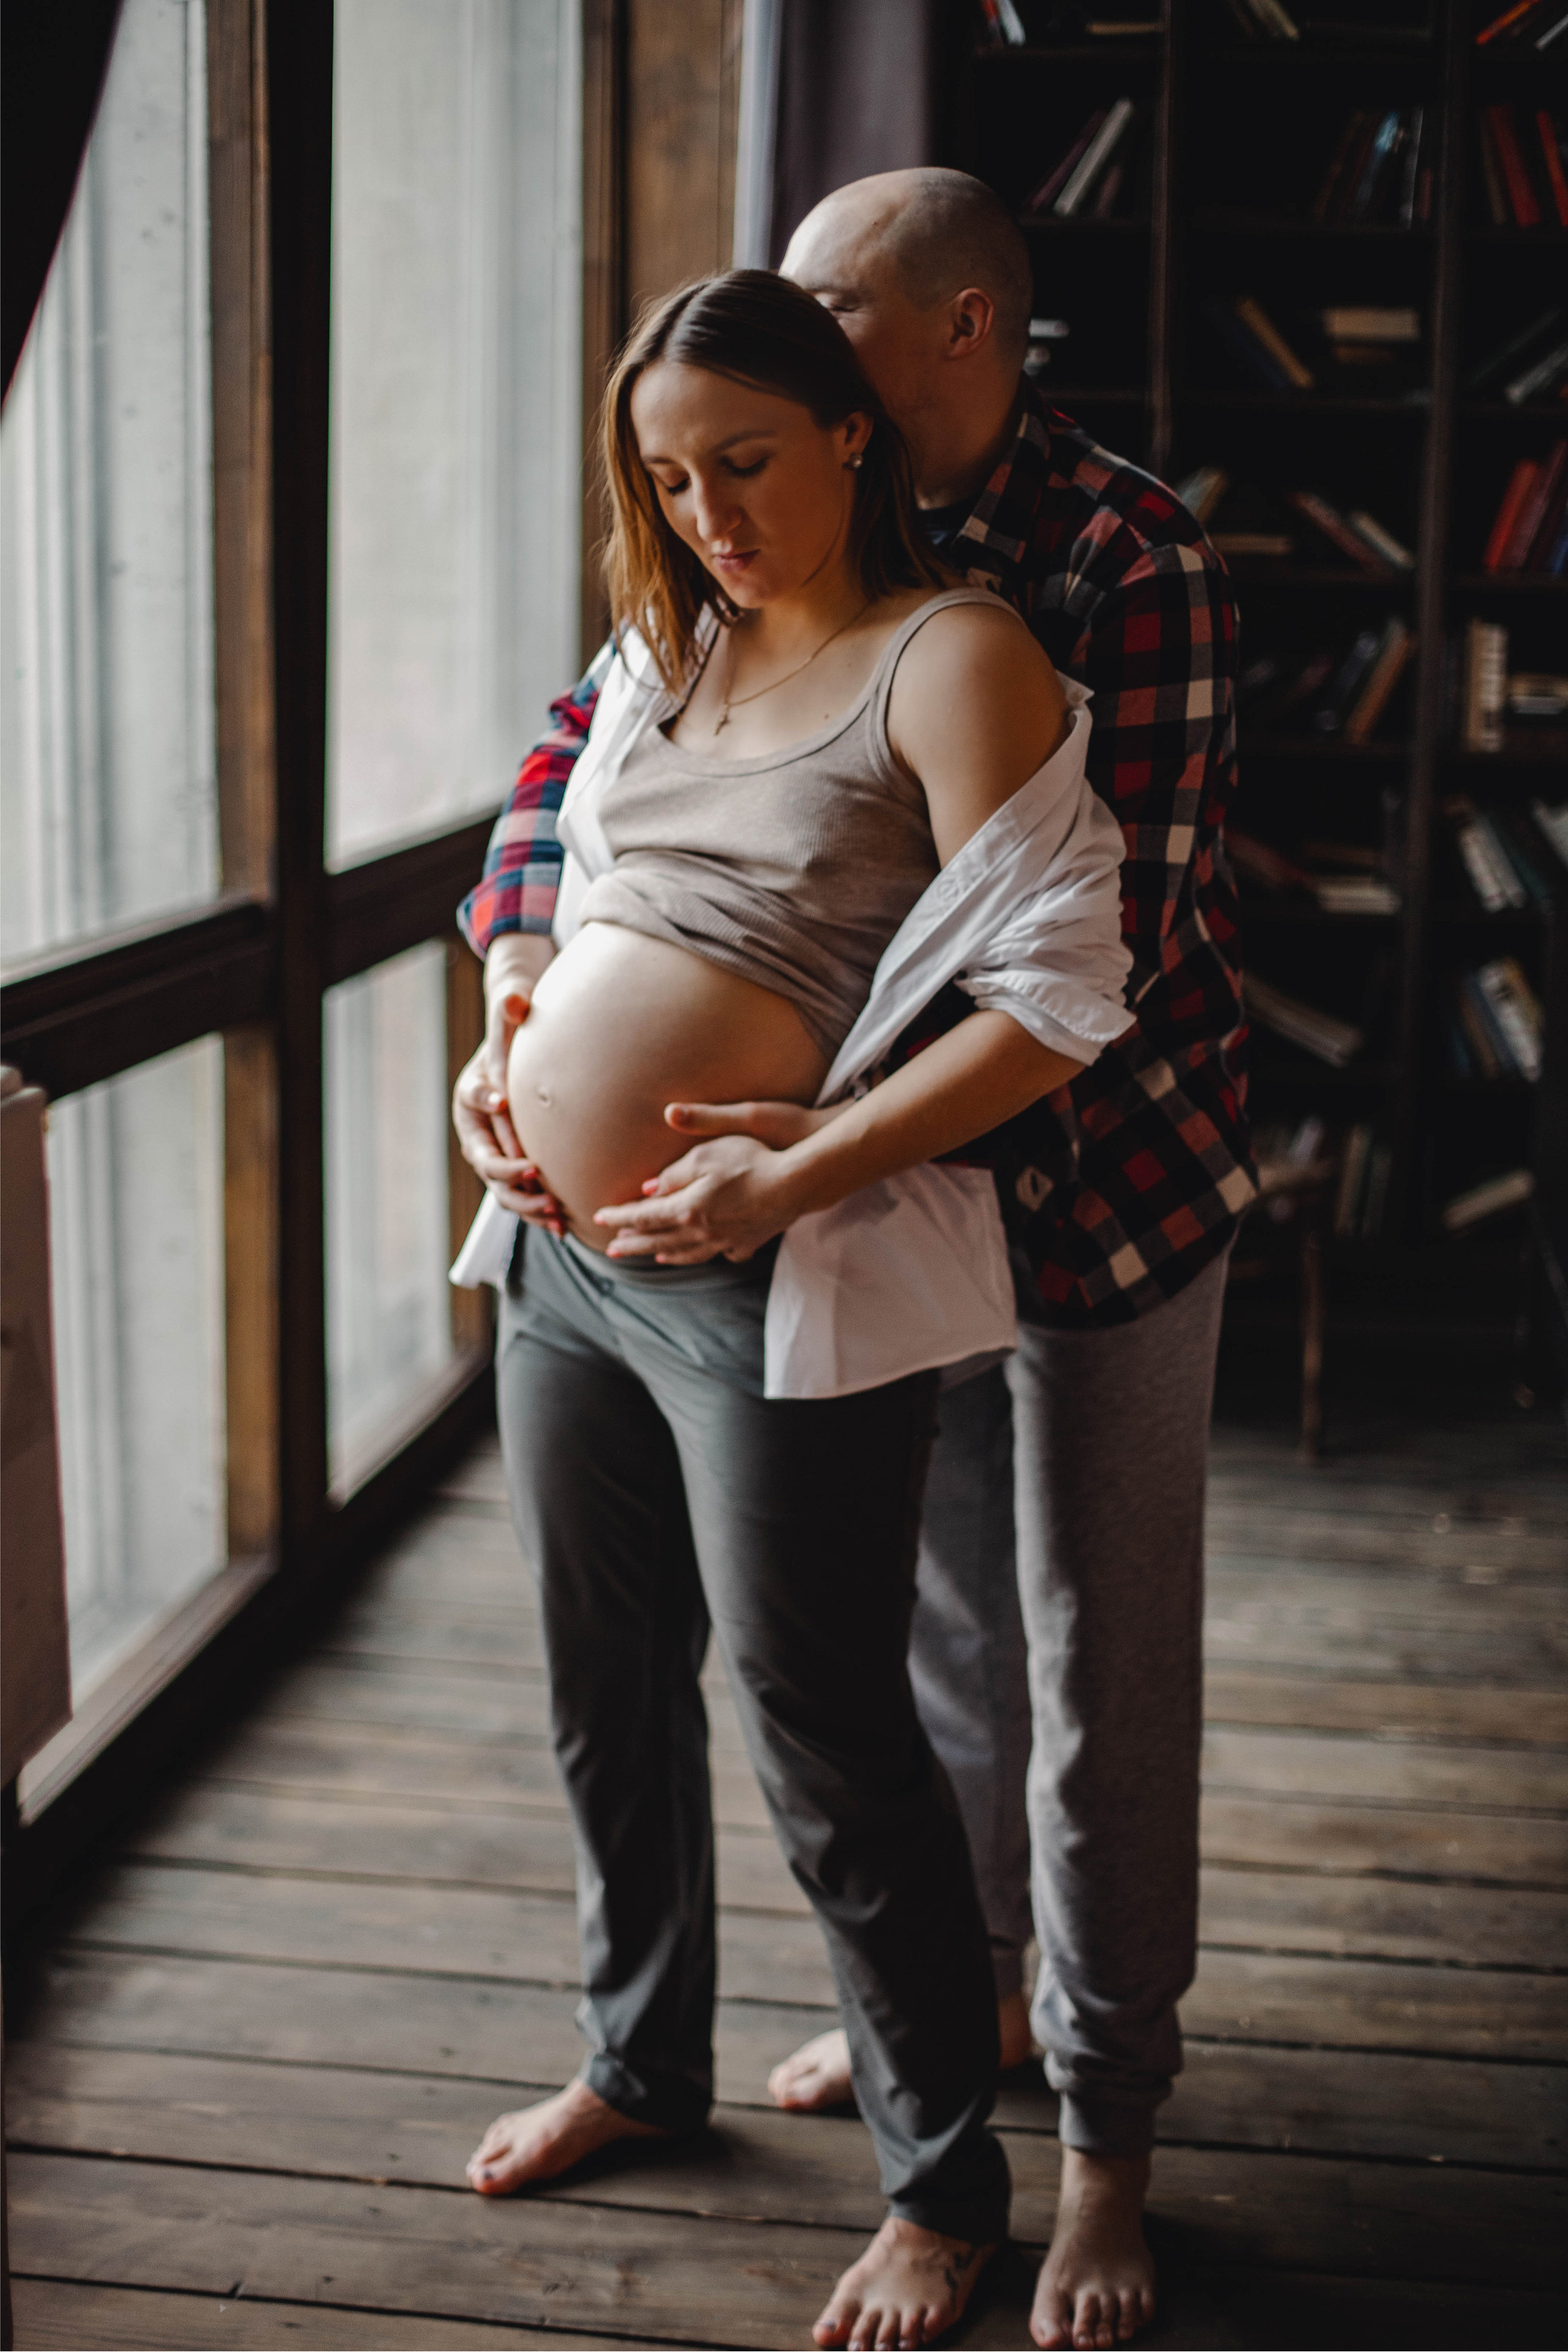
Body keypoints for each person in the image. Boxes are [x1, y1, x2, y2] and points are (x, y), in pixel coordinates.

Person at [454, 176, 1250, 2352]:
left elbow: (1095, 960)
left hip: (1040, 1206)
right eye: (673, 466)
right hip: (578, 1251)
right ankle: (650, 2051)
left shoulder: (1060, 586)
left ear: (922, 360)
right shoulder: (684, 622)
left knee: (974, 1692)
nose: (711, 491)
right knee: (616, 1671)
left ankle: (1041, 2158)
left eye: (773, 403)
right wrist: (514, 1037)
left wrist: (810, 1166)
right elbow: (549, 814)